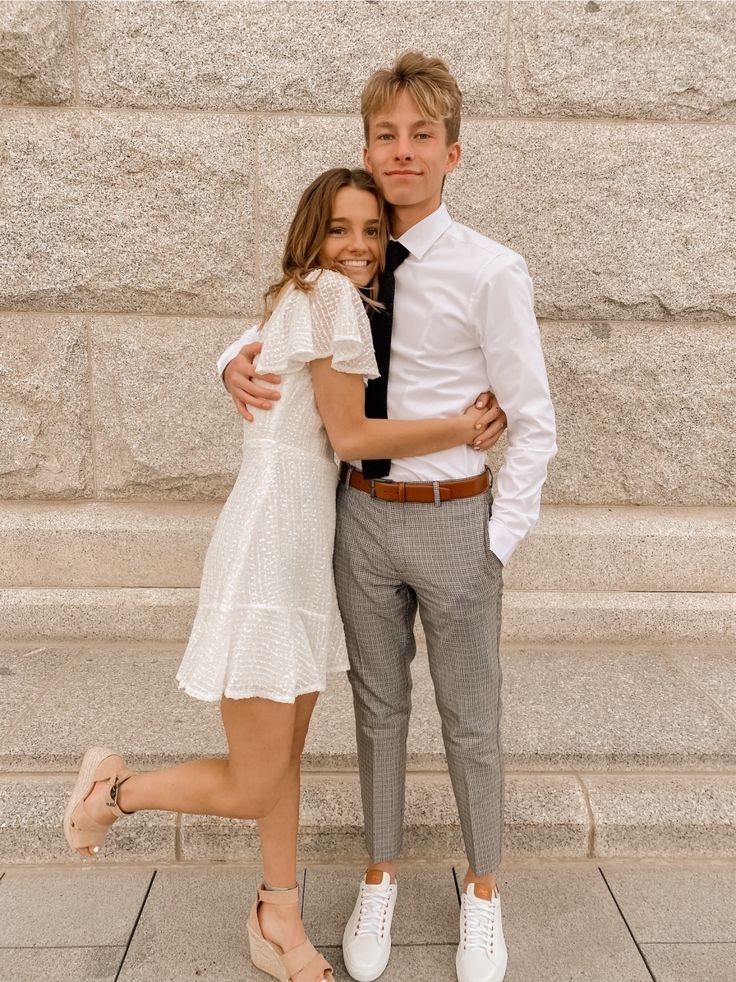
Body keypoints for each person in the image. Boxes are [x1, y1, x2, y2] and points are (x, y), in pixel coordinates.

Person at [62, 166, 500, 982]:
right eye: (341, 228)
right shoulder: (329, 296)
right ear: (312, 232)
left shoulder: (315, 296)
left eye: (372, 230)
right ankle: (114, 792)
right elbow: (349, 436)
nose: (359, 246)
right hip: (272, 548)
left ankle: (280, 918)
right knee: (258, 780)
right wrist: (461, 425)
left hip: (302, 546)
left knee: (284, 760)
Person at [218, 53, 557, 982]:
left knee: (471, 720)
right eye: (385, 135)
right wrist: (227, 362)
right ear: (366, 144)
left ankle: (483, 894)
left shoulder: (491, 270)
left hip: (454, 522)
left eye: (421, 137)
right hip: (359, 517)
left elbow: (533, 419)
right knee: (377, 712)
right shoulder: (350, 250)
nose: (401, 152)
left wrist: (496, 539)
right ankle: (380, 877)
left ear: (453, 153)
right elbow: (276, 317)